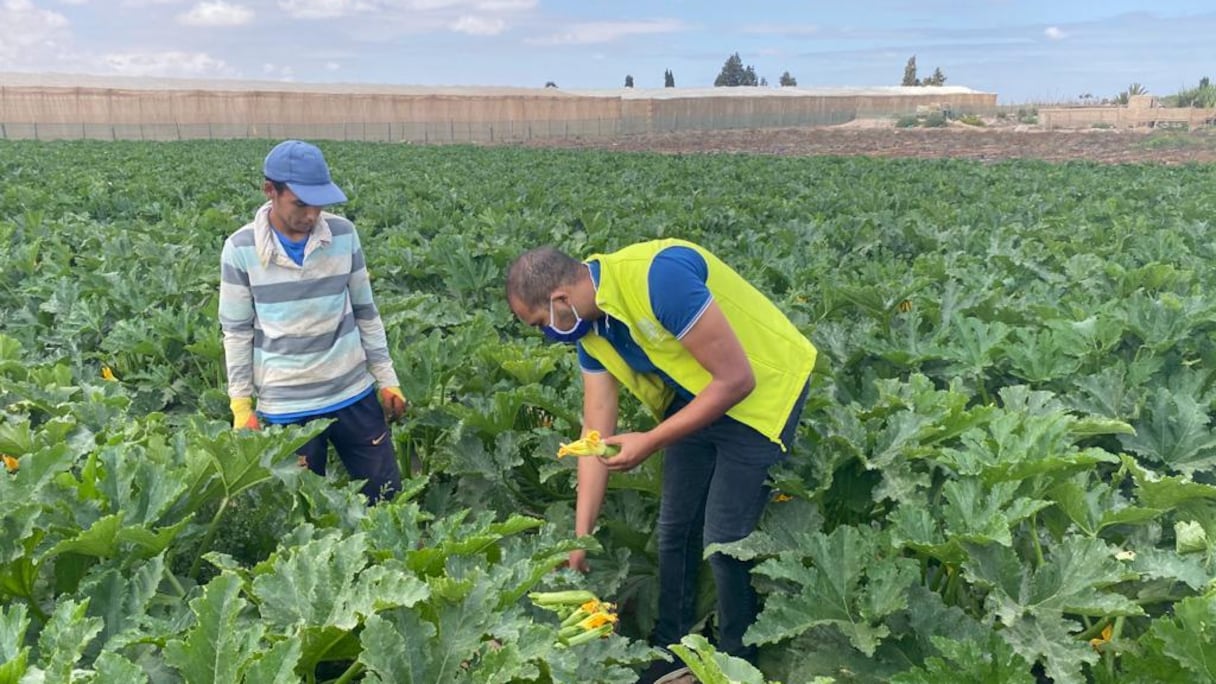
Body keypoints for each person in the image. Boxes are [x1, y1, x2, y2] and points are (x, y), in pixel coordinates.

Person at [506, 239, 815, 683]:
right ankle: (671, 649)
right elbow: (594, 433)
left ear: (559, 300)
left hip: (760, 392)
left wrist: (650, 440)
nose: (546, 334)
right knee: (674, 531)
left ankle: (736, 661)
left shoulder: (657, 279)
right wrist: (580, 538)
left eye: (541, 324)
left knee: (724, 541)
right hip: (695, 395)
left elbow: (736, 379)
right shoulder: (590, 332)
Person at [219, 139, 407, 504]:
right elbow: (237, 332)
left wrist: (387, 380)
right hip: (287, 407)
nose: (311, 214)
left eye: (318, 203)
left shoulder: (343, 234)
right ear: (270, 191)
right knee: (302, 514)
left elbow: (366, 312)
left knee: (387, 500)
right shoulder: (239, 249)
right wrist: (241, 405)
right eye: (300, 203)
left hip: (353, 393)